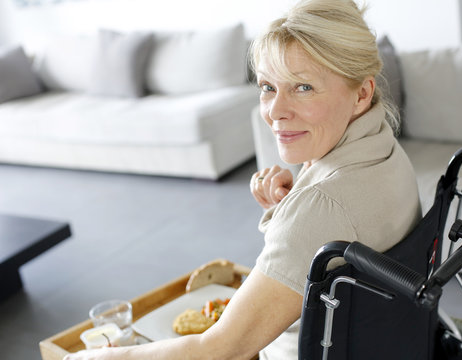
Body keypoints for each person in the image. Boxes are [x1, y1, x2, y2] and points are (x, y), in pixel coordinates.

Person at [64, 0, 421, 359]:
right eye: (268, 86)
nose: (275, 111)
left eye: (303, 87)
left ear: (361, 93)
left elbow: (220, 350)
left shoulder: (322, 206)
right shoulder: (382, 150)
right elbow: (330, 232)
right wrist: (289, 209)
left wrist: (102, 357)